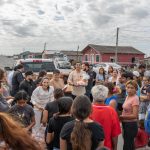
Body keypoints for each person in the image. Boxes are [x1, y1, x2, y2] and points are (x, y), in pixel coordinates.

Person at [90, 85, 121, 150]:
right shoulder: (111, 111)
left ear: (93, 95)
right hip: (106, 146)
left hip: (90, 145)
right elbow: (115, 134)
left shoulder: (88, 109)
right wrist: (115, 147)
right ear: (106, 95)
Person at [120, 80, 139, 150]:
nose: (129, 89)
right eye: (128, 87)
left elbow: (135, 115)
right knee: (128, 144)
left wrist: (122, 117)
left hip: (131, 125)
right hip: (126, 123)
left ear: (136, 89)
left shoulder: (135, 98)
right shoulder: (128, 96)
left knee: (128, 146)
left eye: (132, 88)